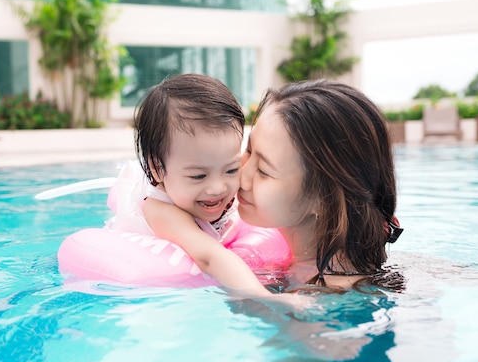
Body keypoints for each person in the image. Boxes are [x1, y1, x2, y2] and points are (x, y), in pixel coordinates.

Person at [149, 78, 404, 295]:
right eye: (248, 150)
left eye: (262, 171)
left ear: (321, 199)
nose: (241, 176)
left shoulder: (324, 299)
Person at [106, 73, 289, 295]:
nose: (218, 187)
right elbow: (210, 257)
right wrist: (266, 297)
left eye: (231, 169)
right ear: (158, 168)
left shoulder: (206, 180)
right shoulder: (160, 210)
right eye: (199, 176)